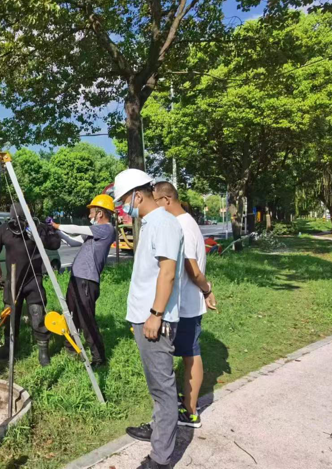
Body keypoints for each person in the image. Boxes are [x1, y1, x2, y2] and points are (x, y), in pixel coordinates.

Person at [113, 169, 184, 469]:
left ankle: (160, 458)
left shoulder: (164, 224)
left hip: (155, 318)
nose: (122, 208)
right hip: (145, 317)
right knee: (157, 385)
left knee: (163, 389)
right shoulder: (152, 223)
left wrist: (155, 315)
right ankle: (158, 431)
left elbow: (167, 273)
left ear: (137, 196)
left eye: (123, 201)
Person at [153, 182, 218, 429]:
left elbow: (193, 269)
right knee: (188, 353)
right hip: (186, 303)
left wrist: (206, 289)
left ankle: (190, 412)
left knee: (191, 354)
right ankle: (184, 403)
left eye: (156, 202)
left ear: (166, 200)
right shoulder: (186, 222)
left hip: (186, 305)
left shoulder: (181, 225)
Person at [51, 194, 116, 367]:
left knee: (86, 319)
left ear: (100, 213)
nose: (89, 216)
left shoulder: (107, 229)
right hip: (77, 278)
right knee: (71, 314)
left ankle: (99, 358)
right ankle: (71, 347)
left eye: (91, 212)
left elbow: (77, 228)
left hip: (87, 280)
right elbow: (73, 241)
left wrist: (57, 225)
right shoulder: (94, 233)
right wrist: (57, 232)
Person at [0, 203, 61, 366]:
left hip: (33, 280)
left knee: (37, 314)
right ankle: (9, 348)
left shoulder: (37, 227)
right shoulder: (4, 230)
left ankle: (43, 352)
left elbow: (55, 243)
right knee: (10, 316)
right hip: (13, 281)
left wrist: (39, 237)